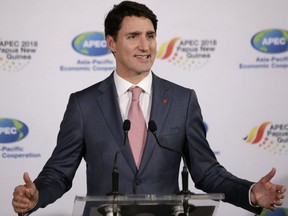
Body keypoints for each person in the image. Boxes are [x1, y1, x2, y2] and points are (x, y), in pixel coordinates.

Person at [12, 1, 286, 215]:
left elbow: (206, 171)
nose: (145, 46)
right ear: (111, 43)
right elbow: (60, 173)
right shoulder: (83, 104)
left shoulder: (183, 100)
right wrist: (36, 196)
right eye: (133, 36)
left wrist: (250, 192)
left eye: (151, 36)